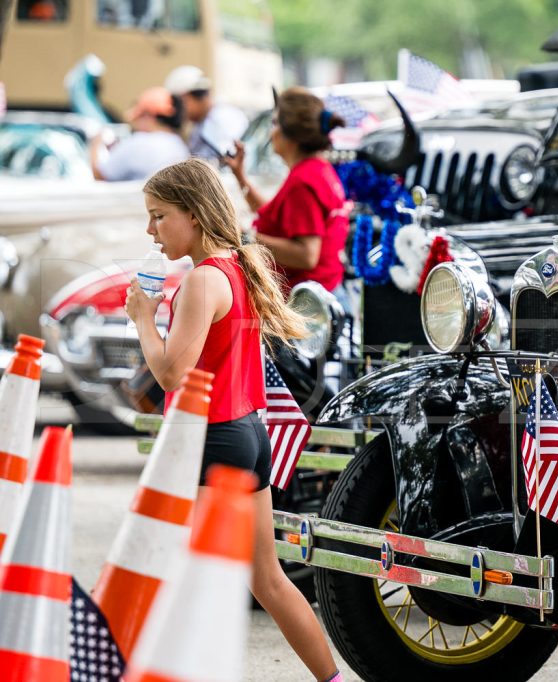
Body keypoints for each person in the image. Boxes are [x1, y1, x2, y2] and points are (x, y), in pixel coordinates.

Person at [124, 159, 342, 682]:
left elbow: (173, 373)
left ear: (194, 215)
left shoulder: (202, 280)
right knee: (267, 581)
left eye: (158, 216)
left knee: (174, 576)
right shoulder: (235, 268)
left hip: (210, 438)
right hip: (248, 432)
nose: (150, 230)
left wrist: (143, 321)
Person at [224, 87, 348, 296]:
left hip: (307, 305)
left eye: (274, 123)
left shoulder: (303, 182)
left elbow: (307, 255)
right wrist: (240, 176)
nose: (270, 133)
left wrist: (246, 238)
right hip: (322, 295)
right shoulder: (317, 169)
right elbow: (276, 217)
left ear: (290, 133)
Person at [91, 87, 189, 181]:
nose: (136, 125)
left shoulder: (138, 142)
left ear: (148, 116)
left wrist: (95, 143)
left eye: (138, 118)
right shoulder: (180, 146)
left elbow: (100, 175)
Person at [164, 65, 249, 161]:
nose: (176, 110)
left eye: (178, 103)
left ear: (188, 97)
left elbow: (222, 161)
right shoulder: (203, 121)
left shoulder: (221, 118)